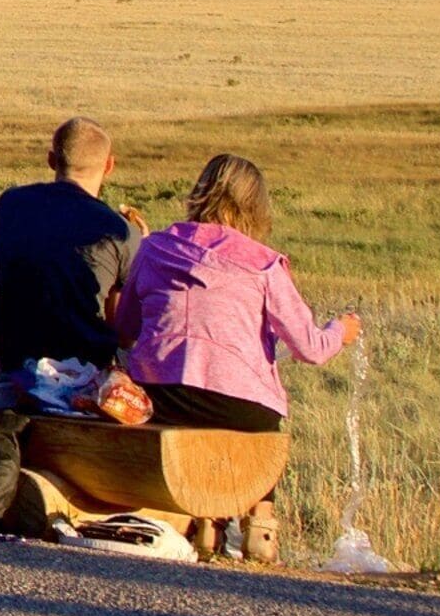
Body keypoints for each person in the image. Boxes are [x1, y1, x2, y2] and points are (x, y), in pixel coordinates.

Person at [0, 118, 144, 531]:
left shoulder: (12, 203)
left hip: (9, 353)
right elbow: (121, 323)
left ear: (51, 159)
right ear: (110, 166)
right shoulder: (120, 230)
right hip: (81, 363)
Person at [113, 153, 358, 433]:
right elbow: (311, 349)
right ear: (255, 207)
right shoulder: (264, 265)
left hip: (159, 399)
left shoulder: (153, 248)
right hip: (241, 407)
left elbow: (124, 329)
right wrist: (340, 330)